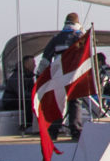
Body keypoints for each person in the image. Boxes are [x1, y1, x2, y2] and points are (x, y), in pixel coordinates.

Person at [39, 13, 91, 141]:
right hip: (73, 74)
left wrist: (40, 74)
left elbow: (45, 58)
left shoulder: (56, 38)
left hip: (58, 74)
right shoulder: (79, 37)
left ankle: (53, 130)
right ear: (77, 23)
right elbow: (85, 55)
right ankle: (75, 130)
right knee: (75, 100)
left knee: (58, 102)